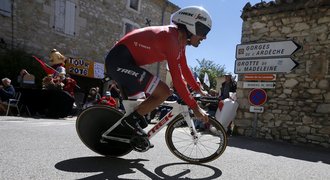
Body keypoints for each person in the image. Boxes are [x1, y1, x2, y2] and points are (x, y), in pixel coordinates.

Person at [105, 6, 212, 140]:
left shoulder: (179, 42)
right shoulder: (170, 38)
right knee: (164, 92)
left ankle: (126, 130)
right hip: (119, 62)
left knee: (140, 116)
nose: (205, 37)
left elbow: (184, 68)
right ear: (190, 26)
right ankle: (128, 123)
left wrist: (197, 89)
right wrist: (195, 107)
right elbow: (177, 79)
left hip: (126, 64)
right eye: (203, 31)